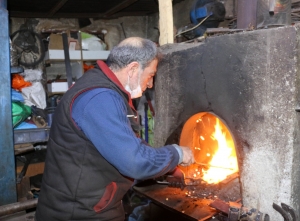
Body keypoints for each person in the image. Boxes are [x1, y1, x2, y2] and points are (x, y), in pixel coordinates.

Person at [35, 37, 195, 221]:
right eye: (150, 75)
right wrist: (176, 154)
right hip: (80, 213)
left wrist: (165, 166)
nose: (150, 84)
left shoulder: (101, 85)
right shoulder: (100, 99)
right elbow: (134, 163)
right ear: (133, 69)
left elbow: (125, 142)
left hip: (86, 204)